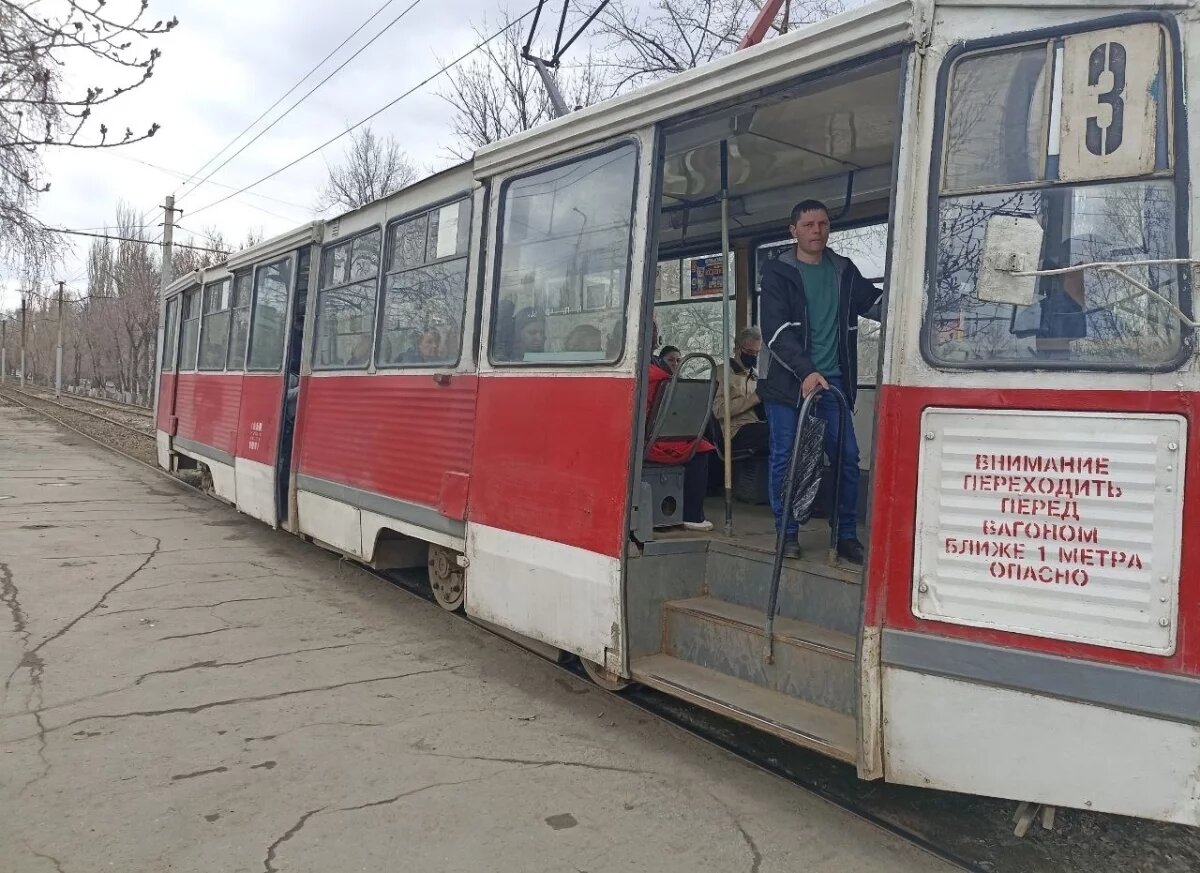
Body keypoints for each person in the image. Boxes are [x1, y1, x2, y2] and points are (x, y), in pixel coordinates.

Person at [758, 200, 881, 564]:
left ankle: (845, 535)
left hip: (834, 383)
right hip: (787, 384)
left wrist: (925, 312)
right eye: (809, 224)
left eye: (823, 224)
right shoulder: (778, 272)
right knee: (787, 457)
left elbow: (873, 303)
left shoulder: (843, 270)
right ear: (793, 230)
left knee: (847, 456)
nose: (817, 231)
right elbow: (776, 332)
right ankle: (787, 533)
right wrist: (805, 371)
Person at [647, 354, 714, 531]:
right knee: (700, 447)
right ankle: (692, 514)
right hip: (652, 441)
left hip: (641, 437)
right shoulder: (662, 377)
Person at [714, 326, 768, 454]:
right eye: (749, 352)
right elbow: (718, 411)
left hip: (756, 424)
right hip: (734, 431)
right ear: (737, 348)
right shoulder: (722, 373)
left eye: (757, 353)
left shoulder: (756, 375)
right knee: (777, 434)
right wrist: (754, 398)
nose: (753, 356)